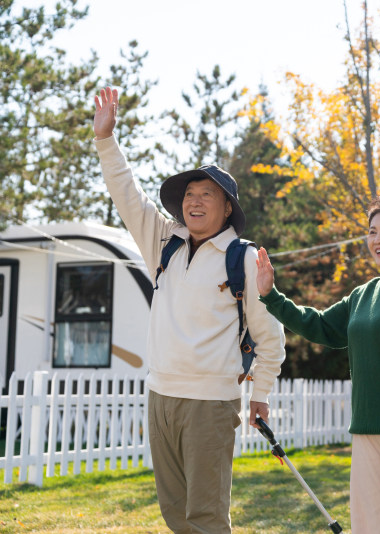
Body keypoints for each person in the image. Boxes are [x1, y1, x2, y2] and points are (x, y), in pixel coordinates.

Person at [93, 87, 286, 533]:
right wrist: (106, 140)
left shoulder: (243, 257)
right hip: (160, 393)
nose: (194, 201)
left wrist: (261, 394)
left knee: (205, 515)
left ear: (227, 208)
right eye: (190, 194)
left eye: (207, 195)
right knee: (175, 513)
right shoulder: (164, 243)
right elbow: (127, 195)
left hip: (211, 402)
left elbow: (269, 335)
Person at [255, 194, 380, 534]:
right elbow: (321, 326)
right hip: (365, 426)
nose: (377, 239)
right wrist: (272, 296)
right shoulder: (363, 294)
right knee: (370, 524)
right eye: (372, 232)